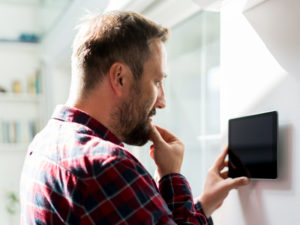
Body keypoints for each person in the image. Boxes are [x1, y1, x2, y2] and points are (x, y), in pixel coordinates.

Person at [20, 11, 250, 225]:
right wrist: (171, 177)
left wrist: (203, 204)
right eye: (157, 82)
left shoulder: (43, 144)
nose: (162, 101)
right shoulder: (107, 166)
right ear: (120, 78)